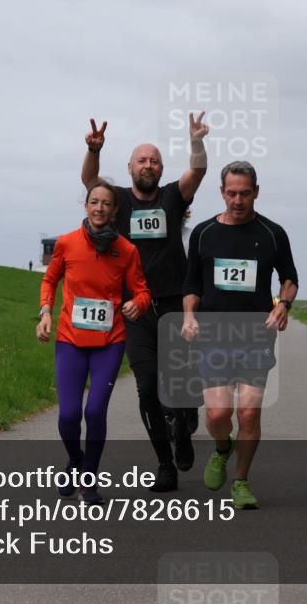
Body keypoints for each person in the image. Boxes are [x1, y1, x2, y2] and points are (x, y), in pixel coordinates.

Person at [81, 115, 209, 492]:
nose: (148, 165)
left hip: (174, 304)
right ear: (130, 168)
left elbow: (197, 173)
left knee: (180, 385)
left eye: (154, 161)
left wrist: (196, 142)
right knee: (148, 388)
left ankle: (184, 423)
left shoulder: (172, 196)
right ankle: (165, 464)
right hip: (134, 309)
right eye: (142, 160)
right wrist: (93, 149)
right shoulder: (117, 200)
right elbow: (90, 181)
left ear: (160, 169)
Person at [181, 161, 298, 509]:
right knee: (218, 415)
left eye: (245, 193)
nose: (238, 200)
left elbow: (289, 278)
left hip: (255, 337)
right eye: (231, 193)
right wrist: (188, 316)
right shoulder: (203, 233)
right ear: (221, 193)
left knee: (248, 415)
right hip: (213, 337)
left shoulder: (273, 233)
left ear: (256, 192)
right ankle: (221, 447)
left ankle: (241, 482)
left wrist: (283, 306)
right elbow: (191, 285)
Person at [37, 179, 151, 505]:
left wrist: (137, 304)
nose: (99, 208)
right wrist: (46, 312)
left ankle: (89, 478)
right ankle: (75, 460)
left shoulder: (126, 250)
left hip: (109, 341)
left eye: (106, 203)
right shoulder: (67, 244)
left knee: (96, 410)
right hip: (70, 340)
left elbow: (142, 291)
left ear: (115, 211)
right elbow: (50, 279)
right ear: (86, 206)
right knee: (69, 414)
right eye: (94, 202)